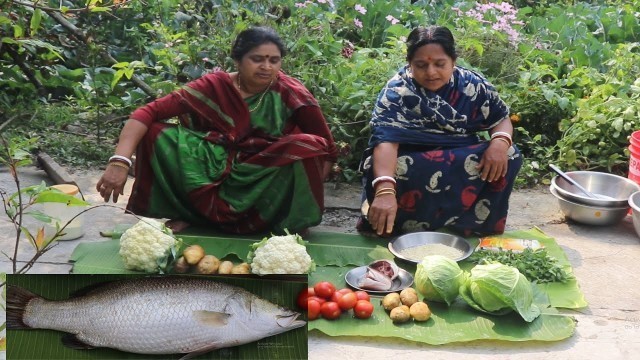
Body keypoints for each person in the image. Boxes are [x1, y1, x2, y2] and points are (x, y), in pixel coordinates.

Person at [97, 26, 337, 234]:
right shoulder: (214, 85)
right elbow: (145, 113)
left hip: (265, 167)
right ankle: (191, 213)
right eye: (257, 59)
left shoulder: (290, 91)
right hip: (210, 163)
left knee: (310, 146)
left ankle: (281, 219)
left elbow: (326, 146)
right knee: (155, 133)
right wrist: (119, 162)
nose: (266, 67)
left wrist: (303, 201)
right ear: (238, 60)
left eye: (274, 60)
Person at [359, 25, 522, 237]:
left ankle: (471, 225)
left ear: (453, 61)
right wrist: (385, 191)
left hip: (462, 158)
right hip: (413, 162)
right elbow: (386, 143)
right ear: (409, 64)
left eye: (440, 64)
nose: (431, 72)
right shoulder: (397, 92)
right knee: (383, 169)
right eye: (421, 65)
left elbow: (501, 119)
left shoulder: (472, 85)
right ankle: (400, 227)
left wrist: (499, 143)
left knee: (509, 154)